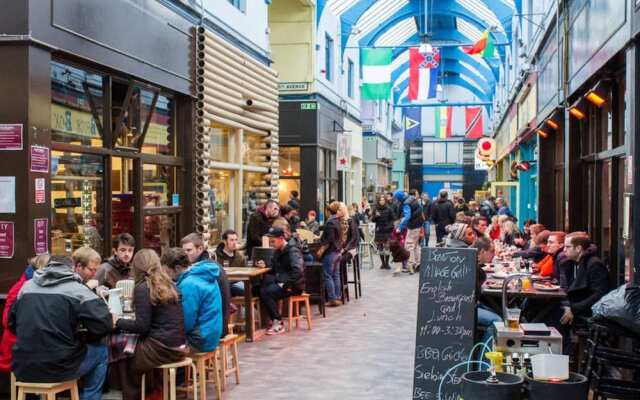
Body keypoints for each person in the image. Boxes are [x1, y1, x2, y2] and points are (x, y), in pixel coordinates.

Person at [9, 257, 112, 400]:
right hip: (60, 367)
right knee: (101, 351)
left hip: (23, 366)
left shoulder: (26, 287)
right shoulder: (77, 289)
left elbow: (11, 324)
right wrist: (80, 335)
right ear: (72, 269)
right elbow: (104, 325)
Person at [112, 250, 188, 400]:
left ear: (136, 267)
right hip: (179, 345)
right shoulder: (169, 284)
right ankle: (152, 393)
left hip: (162, 348)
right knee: (133, 348)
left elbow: (142, 327)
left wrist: (117, 321)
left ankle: (134, 396)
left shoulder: (143, 288)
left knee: (122, 353)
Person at [0, 254, 50, 376]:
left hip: (29, 348)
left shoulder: (32, 285)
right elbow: (7, 321)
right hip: (19, 350)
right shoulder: (21, 288)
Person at [255, 227, 304, 335]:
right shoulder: (278, 251)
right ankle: (272, 319)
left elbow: (298, 271)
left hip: (294, 286)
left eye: (273, 241)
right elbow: (275, 269)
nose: (271, 244)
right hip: (282, 282)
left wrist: (287, 284)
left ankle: (278, 322)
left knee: (266, 292)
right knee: (259, 288)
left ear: (281, 238)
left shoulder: (292, 251)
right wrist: (265, 266)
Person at [181, 233, 231, 337]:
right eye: (183, 251)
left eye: (189, 250)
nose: (185, 254)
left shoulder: (203, 270)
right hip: (217, 325)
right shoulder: (209, 266)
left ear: (200, 249)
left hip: (211, 330)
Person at [561, 234, 610, 324]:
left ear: (578, 248)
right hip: (575, 306)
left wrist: (573, 309)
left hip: (589, 312)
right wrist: (568, 306)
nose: (564, 250)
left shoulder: (594, 264)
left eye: (567, 247)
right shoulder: (572, 263)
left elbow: (599, 294)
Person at [471, 237, 502, 344]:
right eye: (492, 251)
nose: (494, 254)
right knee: (497, 320)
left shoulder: (471, 260)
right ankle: (484, 359)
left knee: (500, 313)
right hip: (465, 308)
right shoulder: (471, 264)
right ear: (482, 252)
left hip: (474, 304)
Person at [318, 202, 344, 307]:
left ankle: (332, 299)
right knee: (335, 275)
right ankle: (337, 297)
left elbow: (329, 239)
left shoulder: (330, 222)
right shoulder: (338, 221)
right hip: (338, 251)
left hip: (331, 252)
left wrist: (321, 250)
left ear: (328, 211)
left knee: (328, 275)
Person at [394, 190, 424, 274]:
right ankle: (419, 263)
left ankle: (411, 265)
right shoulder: (412, 198)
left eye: (396, 198)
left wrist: (400, 227)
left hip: (413, 225)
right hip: (418, 224)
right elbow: (420, 209)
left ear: (398, 198)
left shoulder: (406, 203)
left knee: (409, 245)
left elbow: (407, 216)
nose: (395, 200)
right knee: (416, 245)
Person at [371, 195, 394, 269]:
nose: (382, 201)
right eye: (380, 200)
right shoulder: (375, 209)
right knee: (380, 247)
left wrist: (390, 226)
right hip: (379, 230)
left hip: (387, 230)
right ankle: (383, 263)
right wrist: (376, 216)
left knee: (387, 247)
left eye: (383, 200)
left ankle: (387, 263)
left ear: (385, 201)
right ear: (378, 201)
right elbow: (372, 220)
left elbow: (392, 218)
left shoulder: (389, 209)